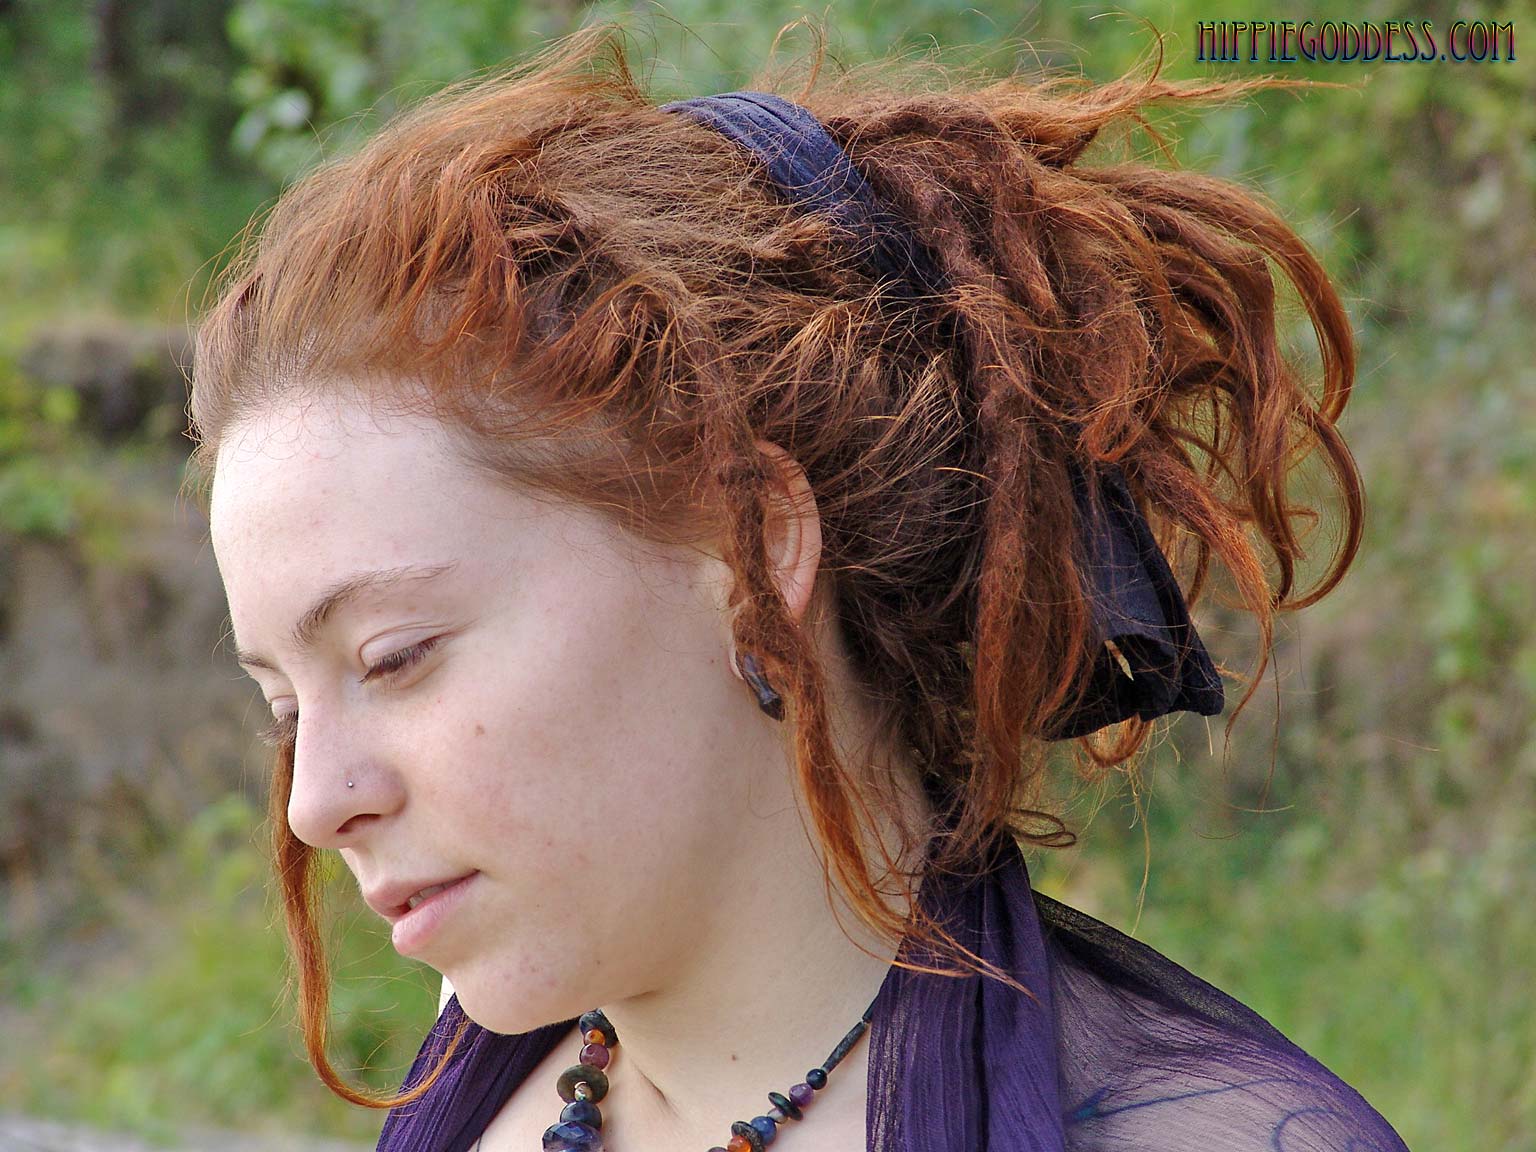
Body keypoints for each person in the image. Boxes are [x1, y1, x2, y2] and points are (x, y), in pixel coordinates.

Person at [193, 21, 1412, 1152]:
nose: (314, 804)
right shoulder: (482, 1089)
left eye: (395, 655)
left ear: (753, 554)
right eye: (283, 707)